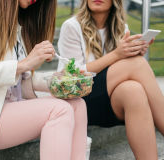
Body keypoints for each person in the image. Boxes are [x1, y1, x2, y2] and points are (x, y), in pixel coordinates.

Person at [0, 0, 88, 159]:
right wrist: (23, 64)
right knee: (59, 110)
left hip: (12, 108)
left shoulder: (16, 18)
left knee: (77, 104)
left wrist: (60, 80)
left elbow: (20, 79)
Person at [57, 0, 164, 159]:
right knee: (138, 65)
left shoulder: (121, 28)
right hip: (79, 100)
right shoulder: (71, 26)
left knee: (133, 90)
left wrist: (133, 52)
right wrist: (118, 55)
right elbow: (72, 76)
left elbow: (121, 69)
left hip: (109, 102)